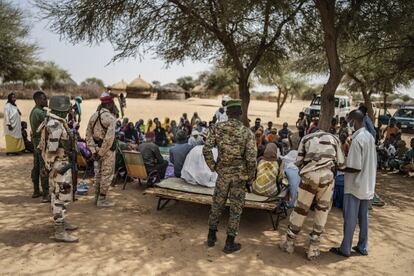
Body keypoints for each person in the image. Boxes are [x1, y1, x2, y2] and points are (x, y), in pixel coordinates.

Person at [280, 128, 345, 260]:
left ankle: (289, 243)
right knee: (322, 210)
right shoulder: (334, 139)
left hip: (309, 176)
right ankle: (313, 248)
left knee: (300, 210)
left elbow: (298, 162)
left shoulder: (306, 138)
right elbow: (342, 165)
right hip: (327, 176)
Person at [203, 99, 257, 254]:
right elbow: (252, 159)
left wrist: (214, 167)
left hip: (223, 174)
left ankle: (211, 237)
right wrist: (250, 177)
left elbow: (206, 149)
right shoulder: (247, 132)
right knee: (235, 209)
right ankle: (229, 243)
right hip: (239, 177)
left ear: (226, 113)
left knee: (217, 204)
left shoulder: (217, 128)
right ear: (240, 113)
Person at [330, 109, 377, 257]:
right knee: (364, 218)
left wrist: (339, 167)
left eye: (349, 121)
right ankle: (363, 246)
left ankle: (345, 249)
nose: (347, 125)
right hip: (367, 184)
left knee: (349, 219)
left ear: (354, 121)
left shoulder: (357, 140)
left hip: (355, 186)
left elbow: (355, 167)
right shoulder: (369, 137)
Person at [38, 95, 78, 242]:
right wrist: (50, 167)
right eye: (67, 109)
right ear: (62, 110)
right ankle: (59, 230)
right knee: (60, 197)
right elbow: (51, 150)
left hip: (60, 165)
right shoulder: (55, 124)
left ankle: (61, 222)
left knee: (60, 196)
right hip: (59, 166)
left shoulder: (55, 121)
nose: (69, 111)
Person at [86, 92, 117, 207]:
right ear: (109, 105)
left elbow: (88, 135)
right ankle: (102, 200)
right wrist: (101, 153)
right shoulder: (111, 118)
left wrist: (94, 151)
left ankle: (96, 198)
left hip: (96, 149)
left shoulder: (93, 116)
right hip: (107, 151)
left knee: (98, 174)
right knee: (107, 174)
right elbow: (109, 139)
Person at [29, 91, 50, 200]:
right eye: (44, 99)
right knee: (43, 167)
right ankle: (46, 194)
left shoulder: (36, 110)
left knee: (37, 167)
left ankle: (36, 191)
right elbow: (51, 122)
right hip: (40, 143)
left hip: (36, 142)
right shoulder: (39, 112)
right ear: (37, 100)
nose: (46, 100)